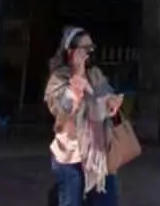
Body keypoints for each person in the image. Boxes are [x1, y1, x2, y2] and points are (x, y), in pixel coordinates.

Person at [44, 26, 124, 206]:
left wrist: (111, 102)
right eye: (83, 48)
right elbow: (62, 109)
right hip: (71, 154)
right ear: (71, 51)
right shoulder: (59, 78)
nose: (88, 53)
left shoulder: (95, 74)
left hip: (99, 155)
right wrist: (77, 77)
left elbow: (106, 96)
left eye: (91, 48)